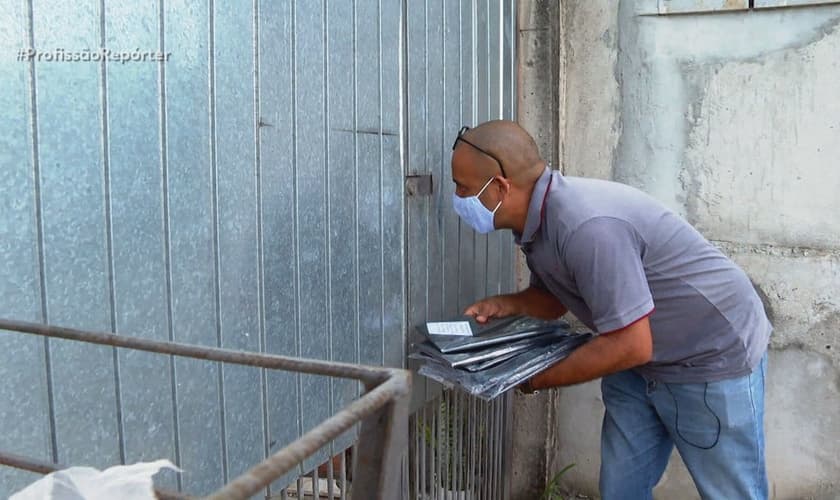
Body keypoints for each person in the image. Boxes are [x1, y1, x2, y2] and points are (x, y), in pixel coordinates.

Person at [450, 120, 772, 500]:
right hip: (640, 360)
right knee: (622, 488)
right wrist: (508, 303)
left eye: (464, 188)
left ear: (501, 187)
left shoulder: (586, 227)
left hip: (707, 359)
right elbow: (556, 300)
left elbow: (631, 344)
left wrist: (534, 378)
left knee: (730, 492)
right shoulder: (539, 222)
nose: (457, 197)